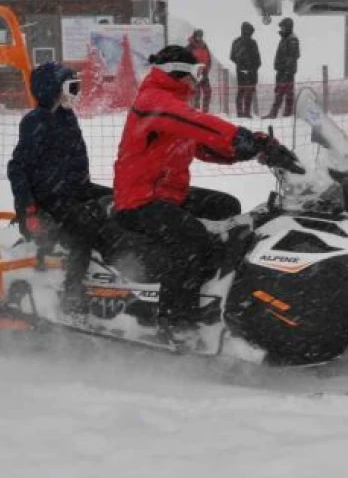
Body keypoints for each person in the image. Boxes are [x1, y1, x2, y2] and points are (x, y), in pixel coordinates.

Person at [112, 45, 300, 338]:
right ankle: (175, 322)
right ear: (178, 72)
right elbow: (199, 124)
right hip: (139, 200)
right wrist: (242, 137)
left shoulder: (172, 104)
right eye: (196, 73)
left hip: (168, 194)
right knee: (192, 242)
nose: (198, 81)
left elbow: (204, 146)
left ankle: (212, 285)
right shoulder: (154, 100)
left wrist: (250, 150)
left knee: (225, 206)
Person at [7, 62, 116, 314]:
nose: (76, 94)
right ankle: (72, 293)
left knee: (116, 200)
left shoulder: (66, 117)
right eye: (72, 88)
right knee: (84, 226)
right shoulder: (35, 122)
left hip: (74, 189)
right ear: (52, 90)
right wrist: (30, 210)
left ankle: (114, 264)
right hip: (48, 199)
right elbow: (17, 168)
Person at [264, 17, 299, 118]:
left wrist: (287, 71)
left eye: (283, 27)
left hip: (286, 72)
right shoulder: (285, 39)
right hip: (282, 71)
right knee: (280, 91)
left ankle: (283, 114)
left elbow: (292, 57)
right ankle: (277, 113)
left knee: (285, 93)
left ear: (288, 27)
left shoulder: (292, 39)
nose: (281, 29)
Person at [229, 21, 261, 118]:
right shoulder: (250, 42)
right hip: (248, 71)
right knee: (245, 92)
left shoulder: (238, 41)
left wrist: (241, 65)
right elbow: (257, 58)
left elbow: (232, 56)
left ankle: (242, 113)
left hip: (244, 71)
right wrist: (251, 67)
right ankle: (244, 113)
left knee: (243, 91)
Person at [186, 28, 213, 112]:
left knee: (207, 92)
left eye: (201, 36)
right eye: (198, 36)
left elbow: (208, 58)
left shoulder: (204, 46)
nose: (199, 38)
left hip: (204, 73)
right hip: (193, 74)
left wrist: (207, 69)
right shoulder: (189, 47)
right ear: (194, 36)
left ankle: (205, 111)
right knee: (196, 93)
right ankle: (196, 111)